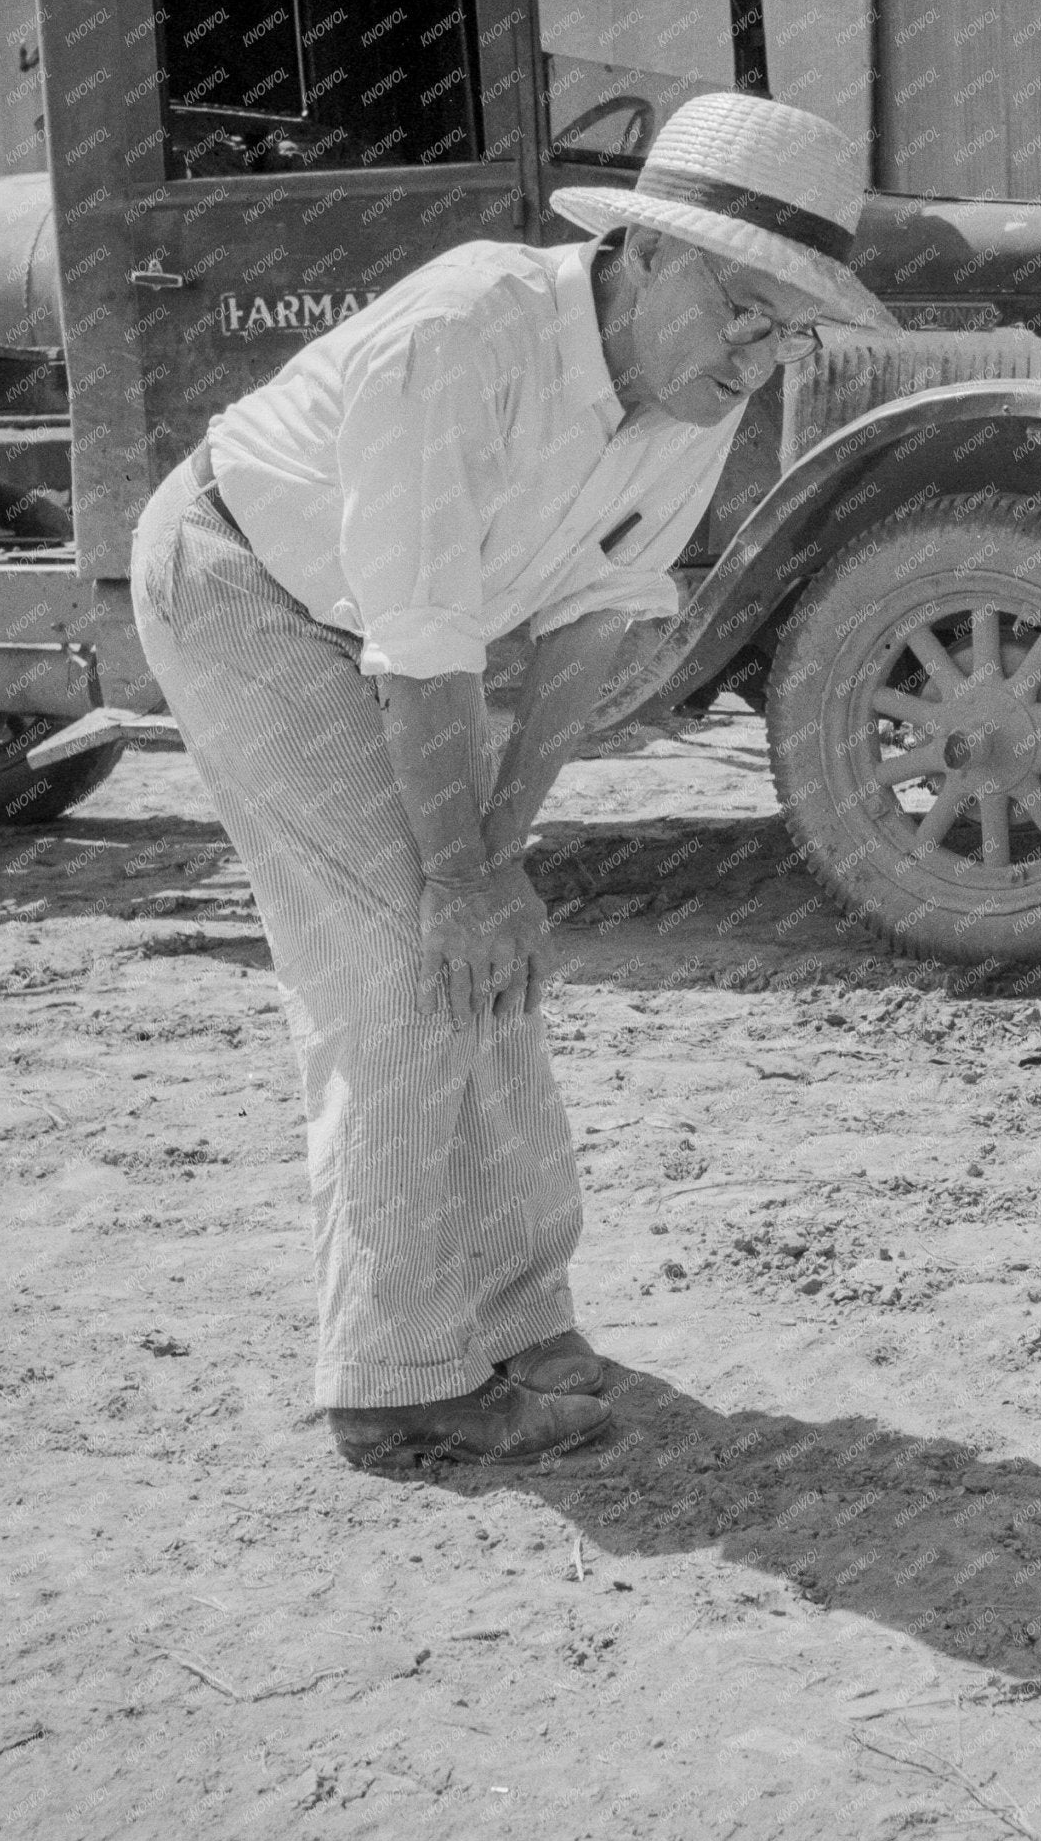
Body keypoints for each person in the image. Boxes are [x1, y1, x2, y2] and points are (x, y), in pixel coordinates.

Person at [129, 93, 894, 1471]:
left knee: (494, 957)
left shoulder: (695, 389)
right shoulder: (463, 335)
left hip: (389, 632)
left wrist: (500, 861)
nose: (757, 358)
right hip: (240, 582)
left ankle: (519, 1310)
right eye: (740, 309)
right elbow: (418, 654)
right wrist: (462, 880)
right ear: (644, 254)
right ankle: (399, 1375)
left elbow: (586, 632)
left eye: (791, 330)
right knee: (406, 970)